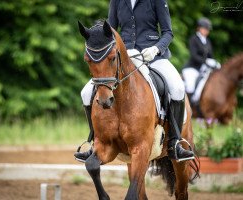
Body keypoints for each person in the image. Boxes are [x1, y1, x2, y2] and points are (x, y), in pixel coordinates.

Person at [75, 0, 194, 162]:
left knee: (177, 88)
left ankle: (175, 142)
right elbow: (110, 30)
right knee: (86, 92)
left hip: (152, 55)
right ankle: (93, 142)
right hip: (125, 57)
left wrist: (156, 48)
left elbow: (168, 33)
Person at [182, 18, 220, 103]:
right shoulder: (193, 39)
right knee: (190, 85)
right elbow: (194, 55)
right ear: (200, 28)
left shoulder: (207, 41)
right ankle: (189, 104)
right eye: (205, 29)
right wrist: (205, 62)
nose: (207, 31)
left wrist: (214, 63)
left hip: (203, 68)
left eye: (208, 29)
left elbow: (210, 55)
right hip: (192, 68)